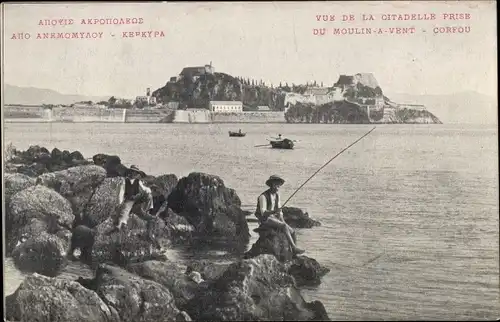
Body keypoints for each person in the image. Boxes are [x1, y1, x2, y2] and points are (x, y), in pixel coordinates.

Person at [255, 175, 305, 254]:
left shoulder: (277, 196)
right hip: (264, 219)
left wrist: (282, 219)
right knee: (284, 226)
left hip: (273, 218)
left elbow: (279, 212)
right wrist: (274, 212)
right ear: (271, 185)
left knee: (292, 231)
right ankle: (294, 247)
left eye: (278, 185)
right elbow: (263, 212)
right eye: (276, 185)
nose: (277, 187)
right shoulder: (263, 196)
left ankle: (294, 251)